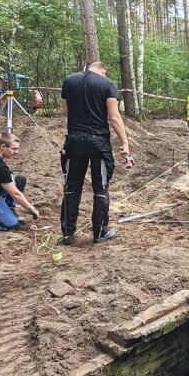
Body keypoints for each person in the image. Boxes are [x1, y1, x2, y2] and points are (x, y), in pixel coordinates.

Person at [59, 61, 131, 245]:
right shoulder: (107, 84)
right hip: (98, 142)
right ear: (103, 70)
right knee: (101, 187)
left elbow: (65, 110)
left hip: (74, 140)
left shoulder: (69, 81)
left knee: (72, 187)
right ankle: (99, 232)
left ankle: (68, 232)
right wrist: (125, 142)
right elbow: (114, 117)